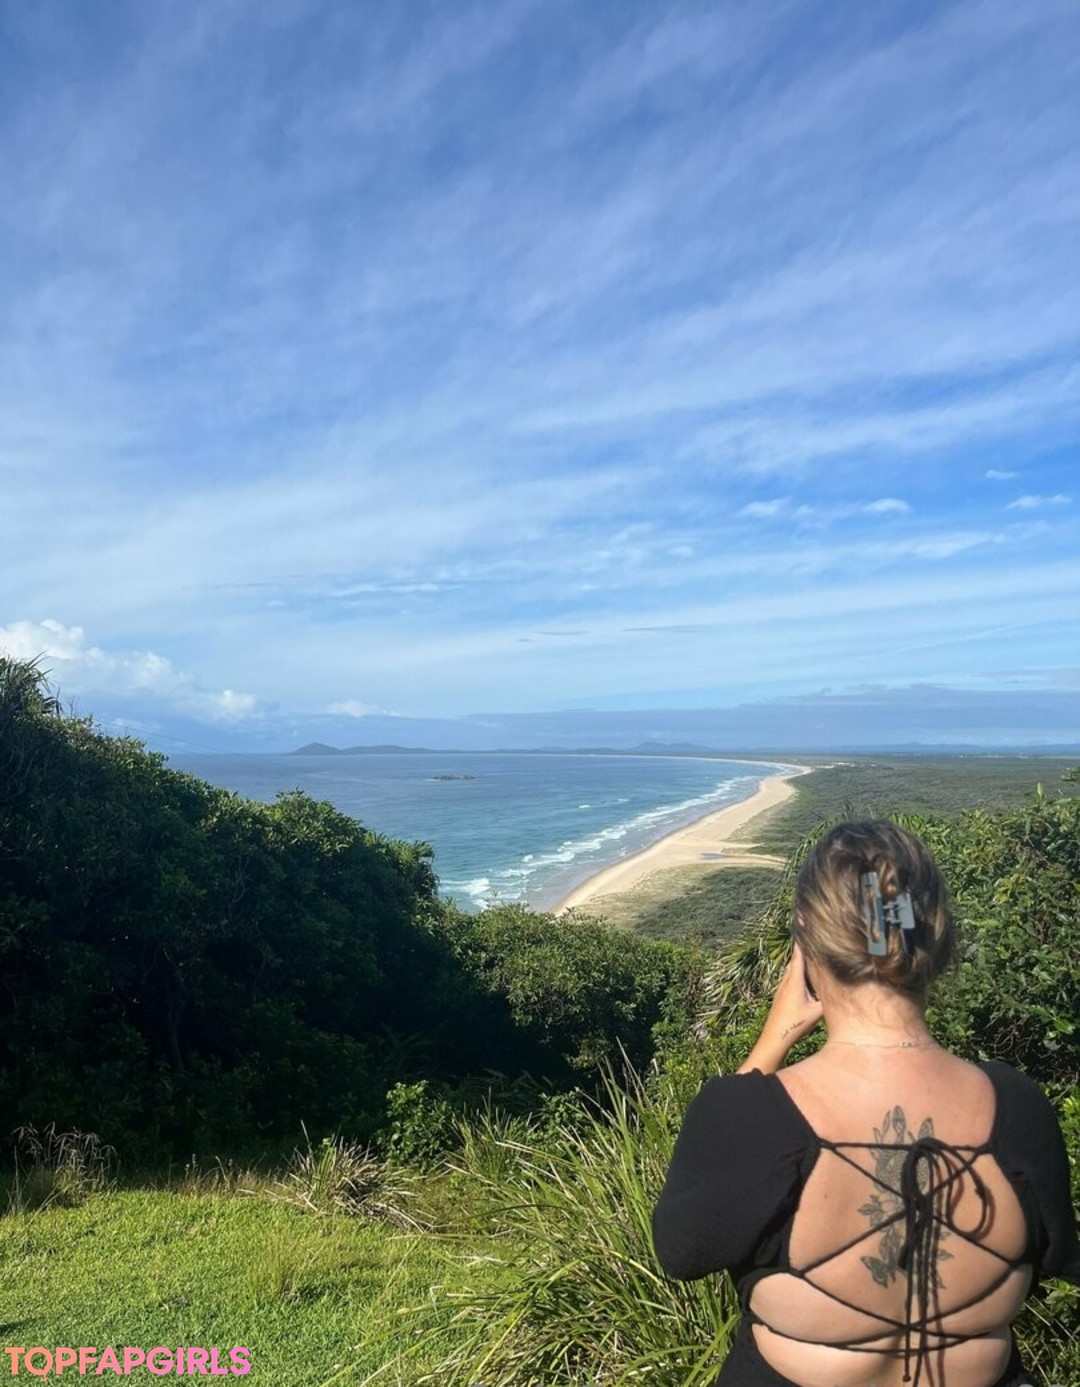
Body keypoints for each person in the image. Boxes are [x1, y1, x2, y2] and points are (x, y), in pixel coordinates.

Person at [652, 820, 1080, 1387]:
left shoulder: (746, 1113)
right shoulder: (1018, 1108)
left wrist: (773, 1040)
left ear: (805, 941)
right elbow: (1058, 1255)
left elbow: (683, 1250)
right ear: (938, 937)